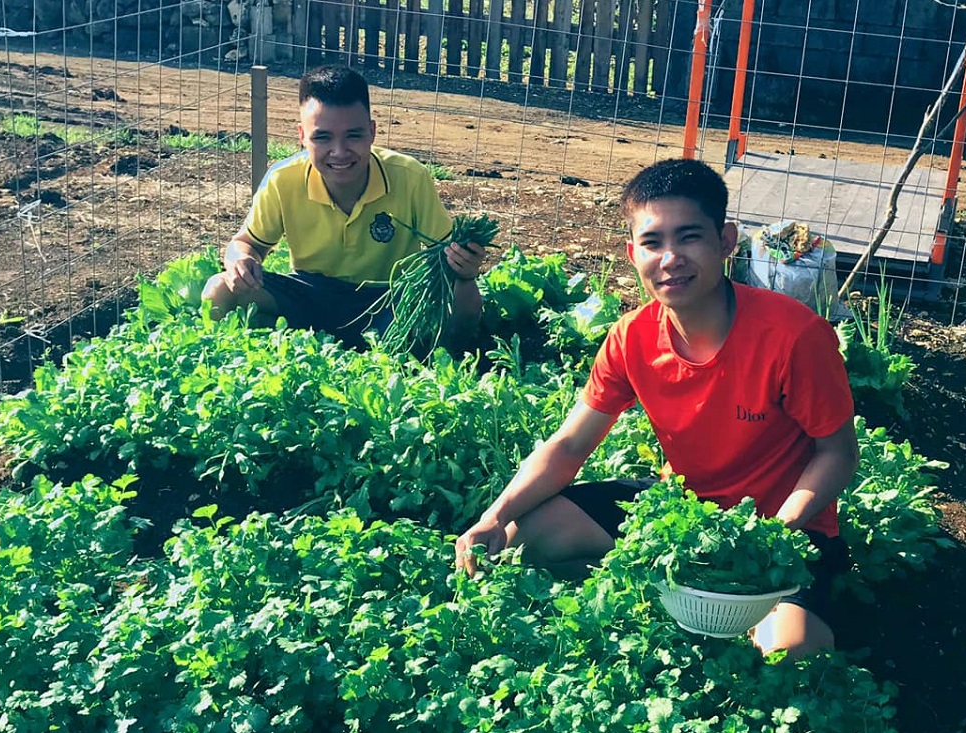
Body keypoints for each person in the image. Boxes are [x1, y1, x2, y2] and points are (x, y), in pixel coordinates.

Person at [453, 158, 861, 659]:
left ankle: (751, 607)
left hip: (784, 529)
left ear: (726, 241)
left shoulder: (793, 336)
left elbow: (837, 454)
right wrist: (494, 516)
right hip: (680, 515)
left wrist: (769, 536)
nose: (670, 258)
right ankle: (664, 586)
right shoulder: (632, 337)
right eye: (652, 242)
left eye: (689, 237)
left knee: (787, 655)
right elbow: (569, 444)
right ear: (632, 252)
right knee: (516, 544)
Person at [202, 64, 484, 347]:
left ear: (372, 132)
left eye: (353, 135)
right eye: (322, 137)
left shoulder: (409, 176)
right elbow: (246, 243)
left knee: (464, 301)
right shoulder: (282, 179)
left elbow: (448, 260)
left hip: (390, 302)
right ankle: (230, 357)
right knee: (219, 289)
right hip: (310, 294)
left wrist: (465, 268)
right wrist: (239, 260)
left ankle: (453, 359)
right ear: (302, 136)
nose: (339, 151)